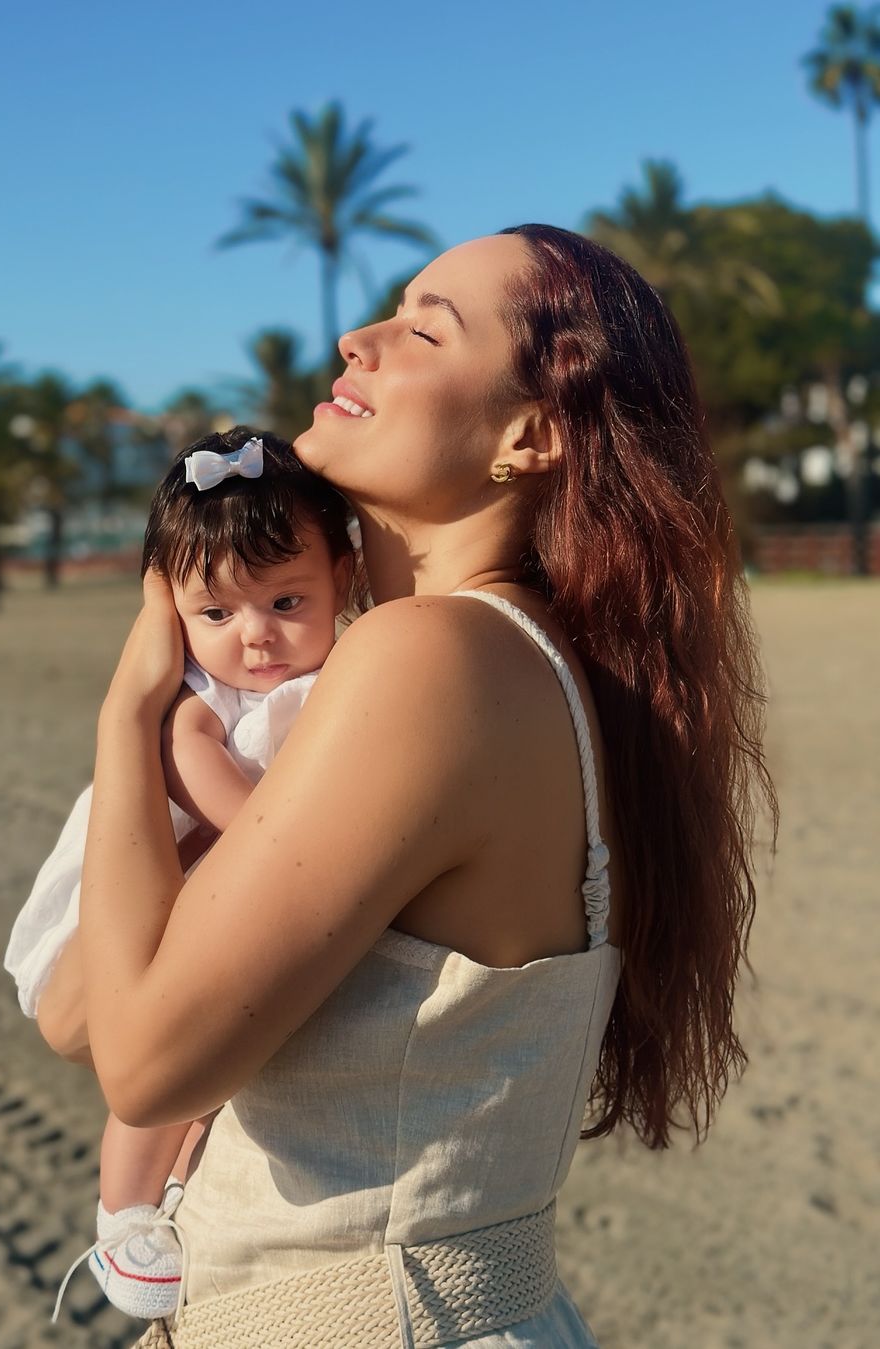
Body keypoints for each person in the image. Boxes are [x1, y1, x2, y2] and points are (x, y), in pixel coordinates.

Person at [41, 226, 776, 1348]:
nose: (359, 337)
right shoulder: (521, 664)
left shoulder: (432, 661)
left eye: (427, 327)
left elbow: (140, 1058)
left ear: (529, 436)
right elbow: (77, 1008)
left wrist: (129, 712)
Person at [4, 429, 355, 1321]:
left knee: (210, 1072)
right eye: (218, 615)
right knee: (153, 1070)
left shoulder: (346, 672)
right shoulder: (204, 702)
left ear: (342, 581)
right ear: (174, 615)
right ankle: (120, 1214)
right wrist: (265, 837)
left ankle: (167, 1202)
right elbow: (191, 763)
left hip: (228, 896)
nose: (258, 637)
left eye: (287, 599)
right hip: (164, 879)